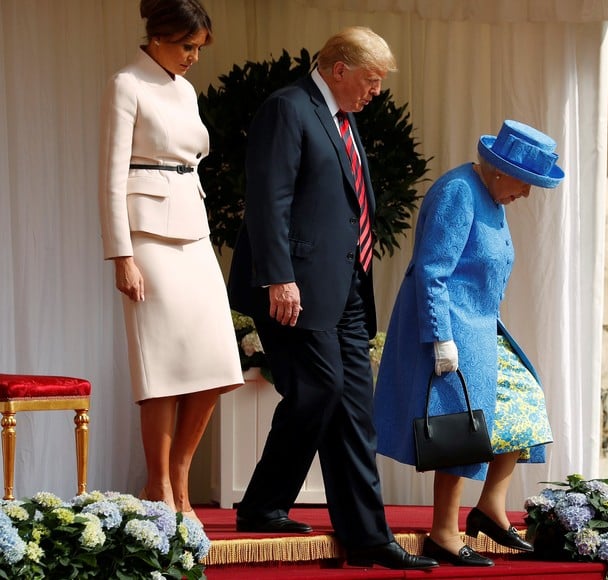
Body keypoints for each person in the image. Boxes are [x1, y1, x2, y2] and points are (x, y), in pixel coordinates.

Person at [226, 27, 437, 570]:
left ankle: (355, 532)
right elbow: (268, 197)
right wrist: (279, 276)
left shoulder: (344, 120)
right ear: (339, 68)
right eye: (371, 80)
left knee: (349, 405)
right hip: (294, 285)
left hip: (344, 287)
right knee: (322, 389)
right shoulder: (288, 109)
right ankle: (279, 507)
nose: (376, 92)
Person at [373, 120, 560, 566]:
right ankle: (444, 531)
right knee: (460, 427)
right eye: (527, 183)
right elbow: (432, 271)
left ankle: (491, 507)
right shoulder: (458, 191)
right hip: (451, 329)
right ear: (500, 170)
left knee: (525, 404)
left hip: (482, 329)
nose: (529, 194)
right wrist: (440, 338)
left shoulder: (493, 198)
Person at [98, 0, 243, 521]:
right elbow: (111, 176)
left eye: (198, 48)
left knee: (219, 362)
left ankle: (178, 469)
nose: (193, 58)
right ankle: (159, 485)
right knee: (161, 368)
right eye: (187, 46)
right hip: (148, 237)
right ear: (157, 37)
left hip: (194, 228)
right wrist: (122, 255)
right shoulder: (127, 83)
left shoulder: (185, 89)